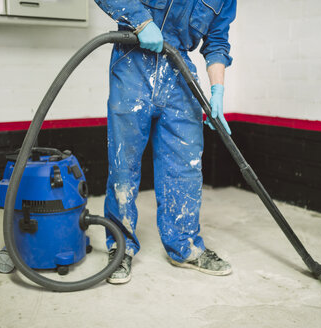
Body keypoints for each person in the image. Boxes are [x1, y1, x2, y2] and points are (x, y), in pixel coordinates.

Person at [95, 0, 237, 284]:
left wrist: (218, 90)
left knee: (185, 165)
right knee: (125, 165)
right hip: (133, 60)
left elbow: (217, 40)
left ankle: (184, 248)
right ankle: (120, 246)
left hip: (179, 70)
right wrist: (142, 22)